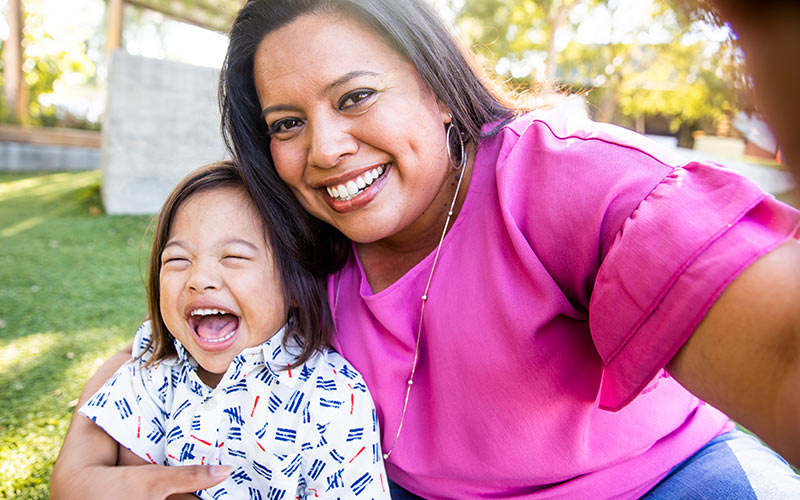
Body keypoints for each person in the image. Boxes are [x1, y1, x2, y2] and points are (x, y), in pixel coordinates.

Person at [52, 0, 800, 499]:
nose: (326, 149)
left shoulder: (568, 181)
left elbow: (779, 351)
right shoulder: (297, 237)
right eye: (287, 124)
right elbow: (178, 339)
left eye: (355, 97)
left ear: (440, 89)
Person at [60, 161, 389, 499]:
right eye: (177, 260)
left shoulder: (333, 397)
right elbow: (89, 482)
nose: (198, 280)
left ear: (293, 284)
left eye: (233, 257)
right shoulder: (156, 369)